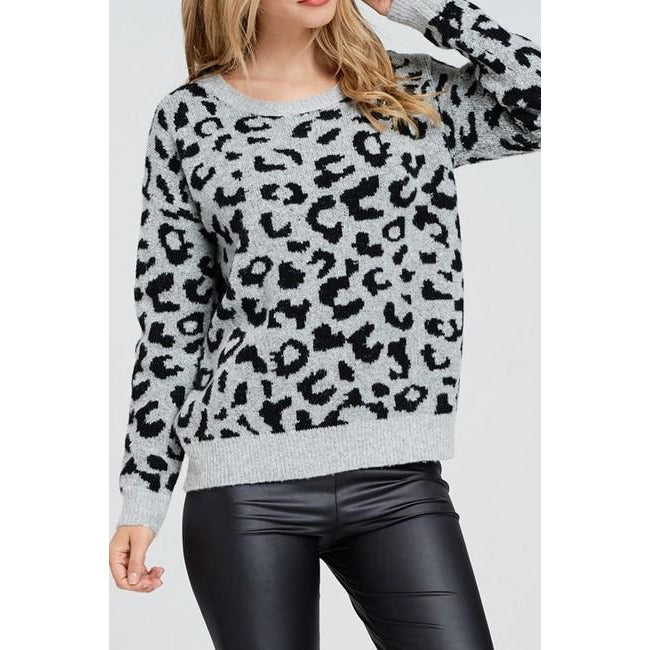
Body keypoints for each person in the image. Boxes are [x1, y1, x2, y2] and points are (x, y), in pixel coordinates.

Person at [109, 0, 540, 647]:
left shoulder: (407, 93)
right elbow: (172, 323)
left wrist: (423, 7)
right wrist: (143, 497)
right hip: (245, 487)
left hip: (398, 479)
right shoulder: (188, 119)